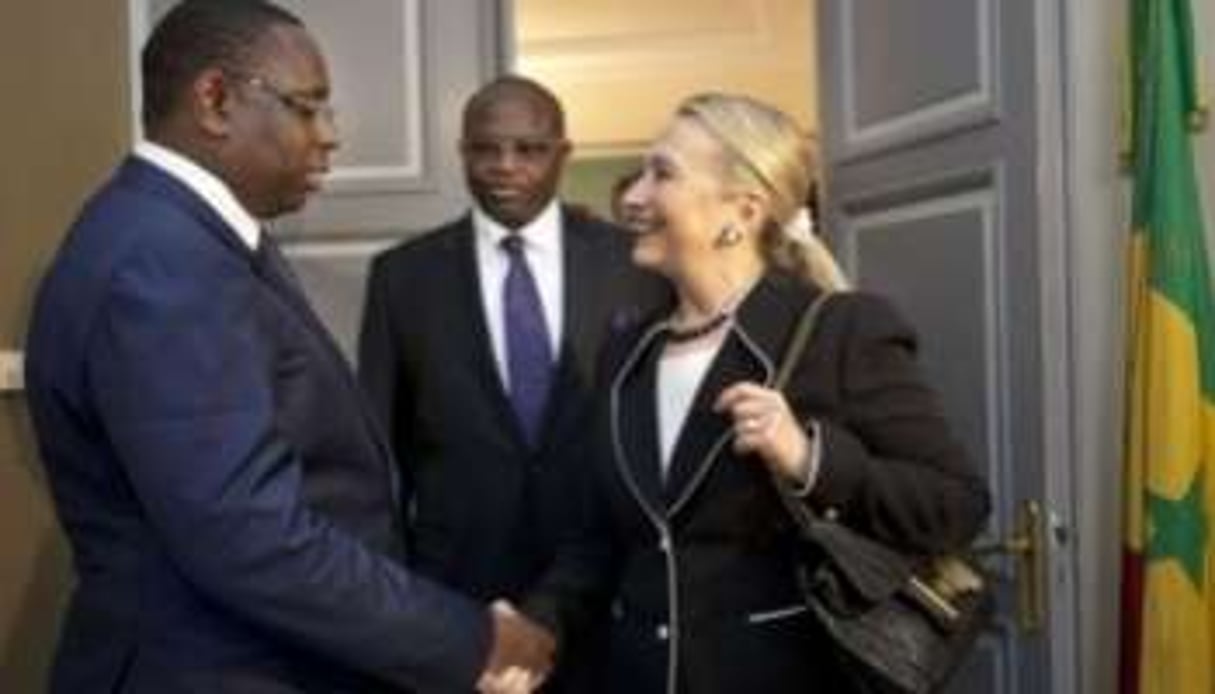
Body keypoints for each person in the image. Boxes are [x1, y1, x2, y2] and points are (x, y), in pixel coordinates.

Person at [23, 2, 553, 692]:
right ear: (214, 100)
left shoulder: (185, 237)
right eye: (308, 108)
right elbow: (248, 538)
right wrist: (469, 639)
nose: (329, 137)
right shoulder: (164, 259)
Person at [521, 92, 991, 694]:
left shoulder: (840, 329)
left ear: (741, 211)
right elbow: (602, 538)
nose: (633, 198)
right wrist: (539, 622)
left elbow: (956, 506)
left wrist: (809, 459)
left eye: (661, 174)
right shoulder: (626, 352)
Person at [358, 74, 661, 692]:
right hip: (457, 599)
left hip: (609, 592)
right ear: (462, 152)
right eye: (485, 149)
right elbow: (378, 452)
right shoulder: (402, 277)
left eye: (529, 149)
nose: (505, 167)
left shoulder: (635, 266)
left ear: (563, 154)